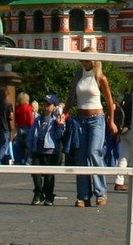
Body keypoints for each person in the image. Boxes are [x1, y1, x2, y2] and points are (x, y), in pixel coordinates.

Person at [69, 60, 116, 206]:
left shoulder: (100, 77)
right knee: (81, 156)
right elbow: (71, 96)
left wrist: (112, 121)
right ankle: (83, 196)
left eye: (86, 59)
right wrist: (64, 113)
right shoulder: (78, 75)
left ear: (93, 60)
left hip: (97, 119)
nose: (83, 62)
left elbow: (109, 101)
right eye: (82, 59)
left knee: (93, 152)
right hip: (80, 118)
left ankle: (101, 192)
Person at [30, 95, 65, 205]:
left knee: (49, 175)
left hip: (51, 151)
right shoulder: (38, 119)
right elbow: (31, 135)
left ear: (54, 106)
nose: (45, 107)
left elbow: (60, 136)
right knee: (36, 173)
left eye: (48, 104)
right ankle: (38, 192)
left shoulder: (56, 120)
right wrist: (30, 147)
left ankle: (49, 195)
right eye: (44, 104)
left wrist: (60, 126)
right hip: (38, 150)